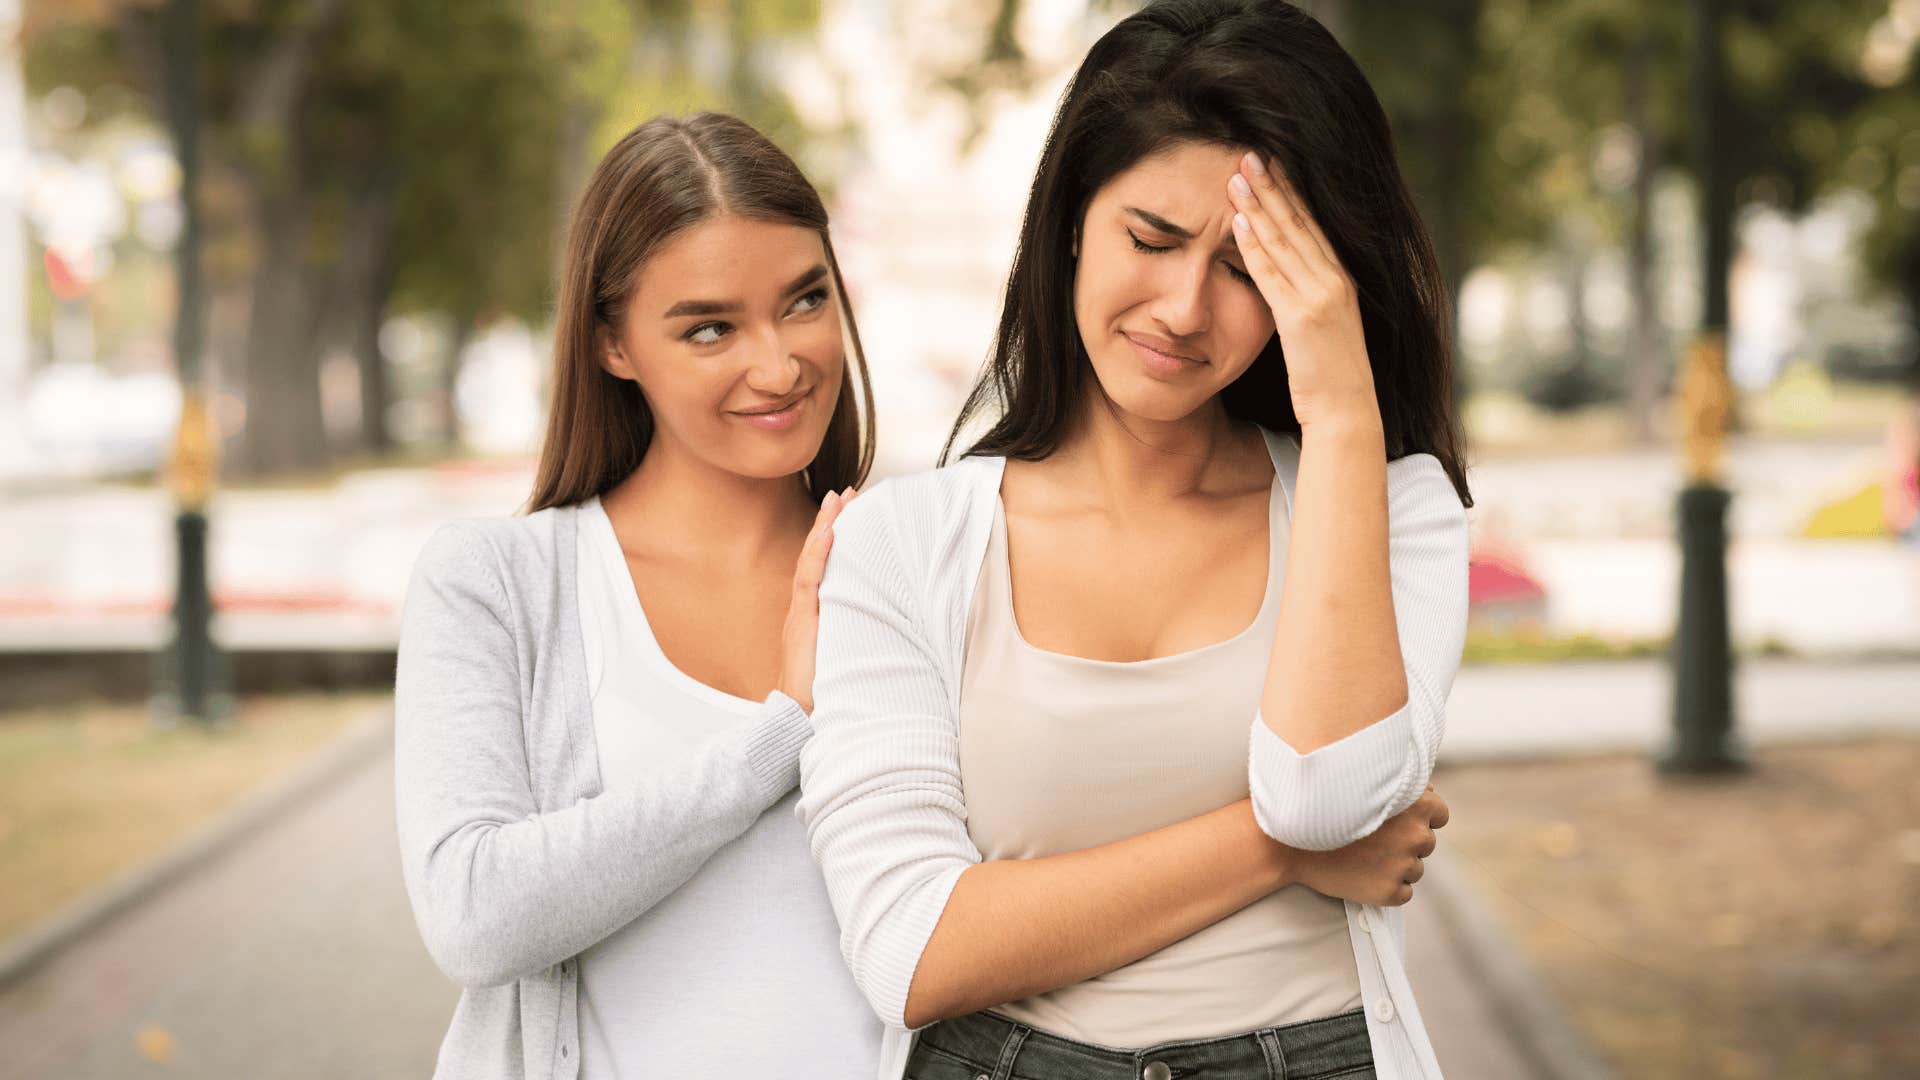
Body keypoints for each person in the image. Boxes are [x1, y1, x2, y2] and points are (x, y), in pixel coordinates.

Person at [799, 2, 1471, 1078]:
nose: (1184, 308)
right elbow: (911, 947)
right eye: (1150, 239)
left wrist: (1343, 410)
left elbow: (1328, 794)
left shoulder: (1393, 513)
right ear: (1072, 219)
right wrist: (1276, 853)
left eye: (1251, 269)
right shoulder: (902, 545)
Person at [394, 112, 881, 1079]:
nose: (779, 366)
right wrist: (780, 735)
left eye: (804, 301)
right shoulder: (497, 583)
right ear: (614, 343)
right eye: (710, 328)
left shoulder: (912, 564)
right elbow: (474, 913)